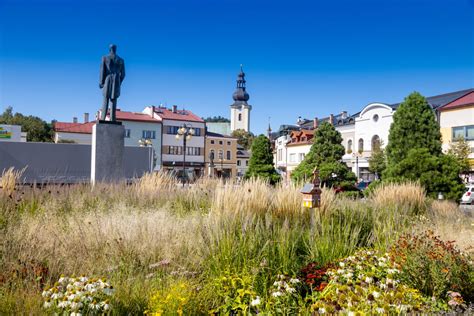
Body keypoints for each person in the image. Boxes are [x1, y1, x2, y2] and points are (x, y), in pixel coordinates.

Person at [99, 44, 125, 121]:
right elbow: (123, 74)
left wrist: (101, 82)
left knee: (105, 99)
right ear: (115, 49)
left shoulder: (105, 58)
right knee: (113, 100)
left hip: (108, 79)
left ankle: (103, 118)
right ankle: (112, 119)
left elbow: (102, 70)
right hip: (116, 80)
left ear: (109, 49)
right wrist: (119, 82)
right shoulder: (120, 60)